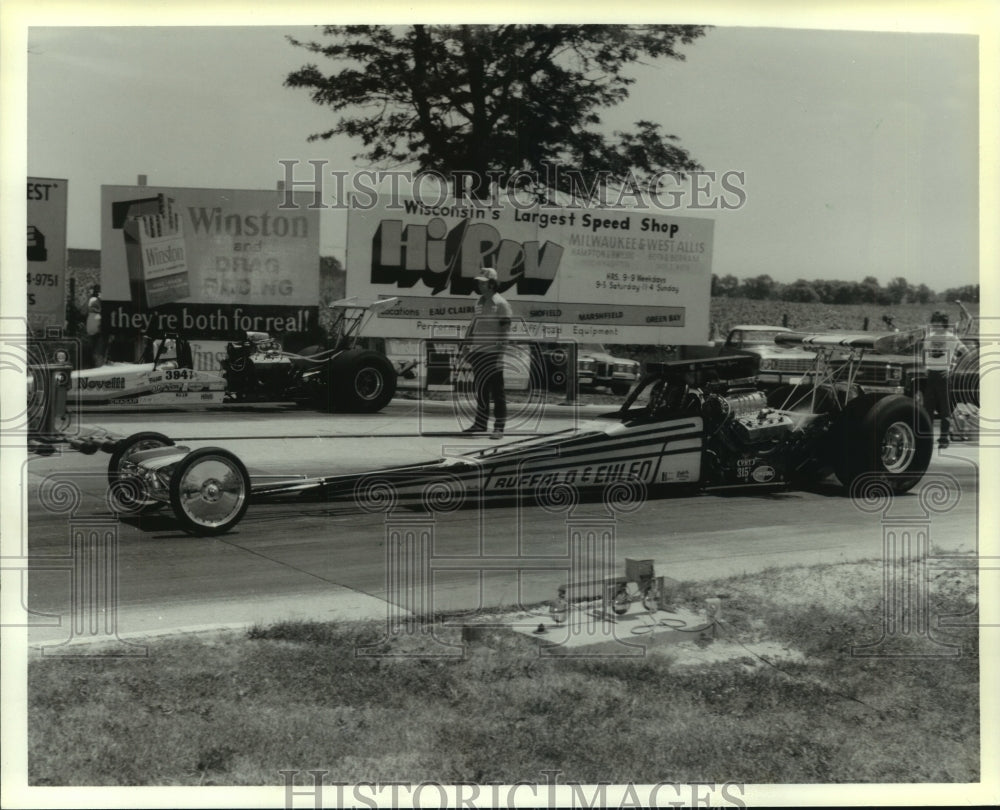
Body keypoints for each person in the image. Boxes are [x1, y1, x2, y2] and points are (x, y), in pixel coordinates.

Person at [462, 266, 512, 438]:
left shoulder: (502, 304)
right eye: (479, 282)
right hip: (479, 352)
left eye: (483, 283)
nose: (479, 285)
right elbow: (473, 325)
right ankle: (480, 423)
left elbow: (505, 333)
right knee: (481, 389)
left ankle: (499, 427)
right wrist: (466, 346)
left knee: (498, 391)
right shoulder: (479, 302)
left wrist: (500, 355)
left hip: (494, 353)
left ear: (492, 284)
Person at [921, 311, 967, 449]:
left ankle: (943, 439)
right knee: (927, 409)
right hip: (931, 375)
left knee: (945, 409)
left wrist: (953, 365)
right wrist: (925, 367)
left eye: (938, 321)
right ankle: (927, 439)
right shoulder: (929, 337)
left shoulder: (951, 337)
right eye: (934, 321)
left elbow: (965, 351)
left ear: (944, 322)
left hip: (944, 375)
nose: (935, 324)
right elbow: (924, 353)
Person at [85, 284, 106, 367]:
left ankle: (94, 363)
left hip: (92, 326)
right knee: (96, 349)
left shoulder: (93, 300)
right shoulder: (94, 300)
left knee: (94, 348)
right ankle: (96, 364)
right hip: (96, 326)